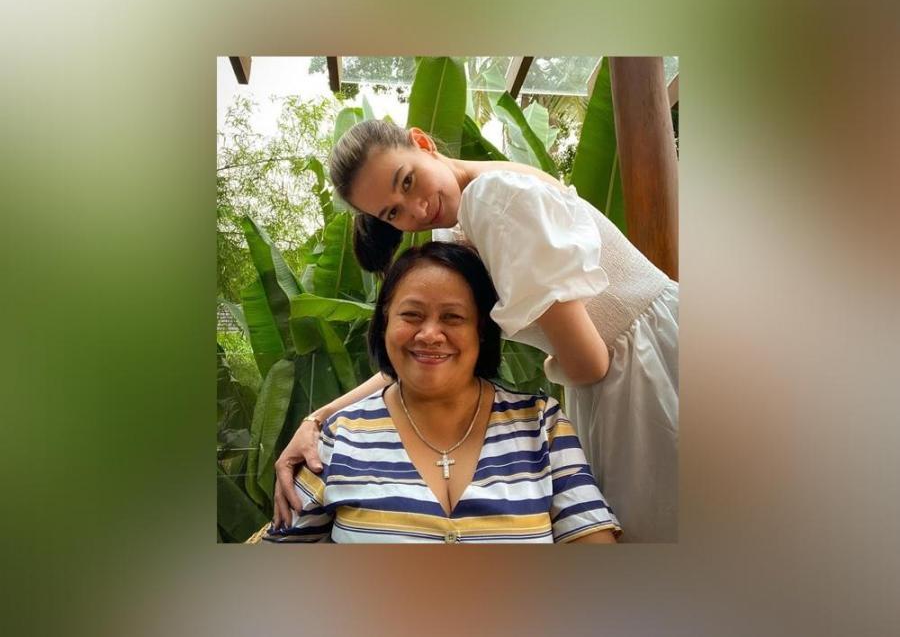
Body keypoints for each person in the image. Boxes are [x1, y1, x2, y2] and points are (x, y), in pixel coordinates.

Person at [273, 119, 678, 542]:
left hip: (650, 369)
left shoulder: (493, 200)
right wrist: (317, 419)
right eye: (392, 213)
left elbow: (589, 363)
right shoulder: (459, 220)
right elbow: (415, 359)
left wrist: (551, 361)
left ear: (422, 142)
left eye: (407, 181)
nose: (416, 211)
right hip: (629, 368)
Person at [265, 242, 619, 543]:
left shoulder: (541, 424)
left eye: (453, 317)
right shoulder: (337, 438)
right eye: (412, 315)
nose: (430, 334)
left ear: (482, 329)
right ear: (384, 322)